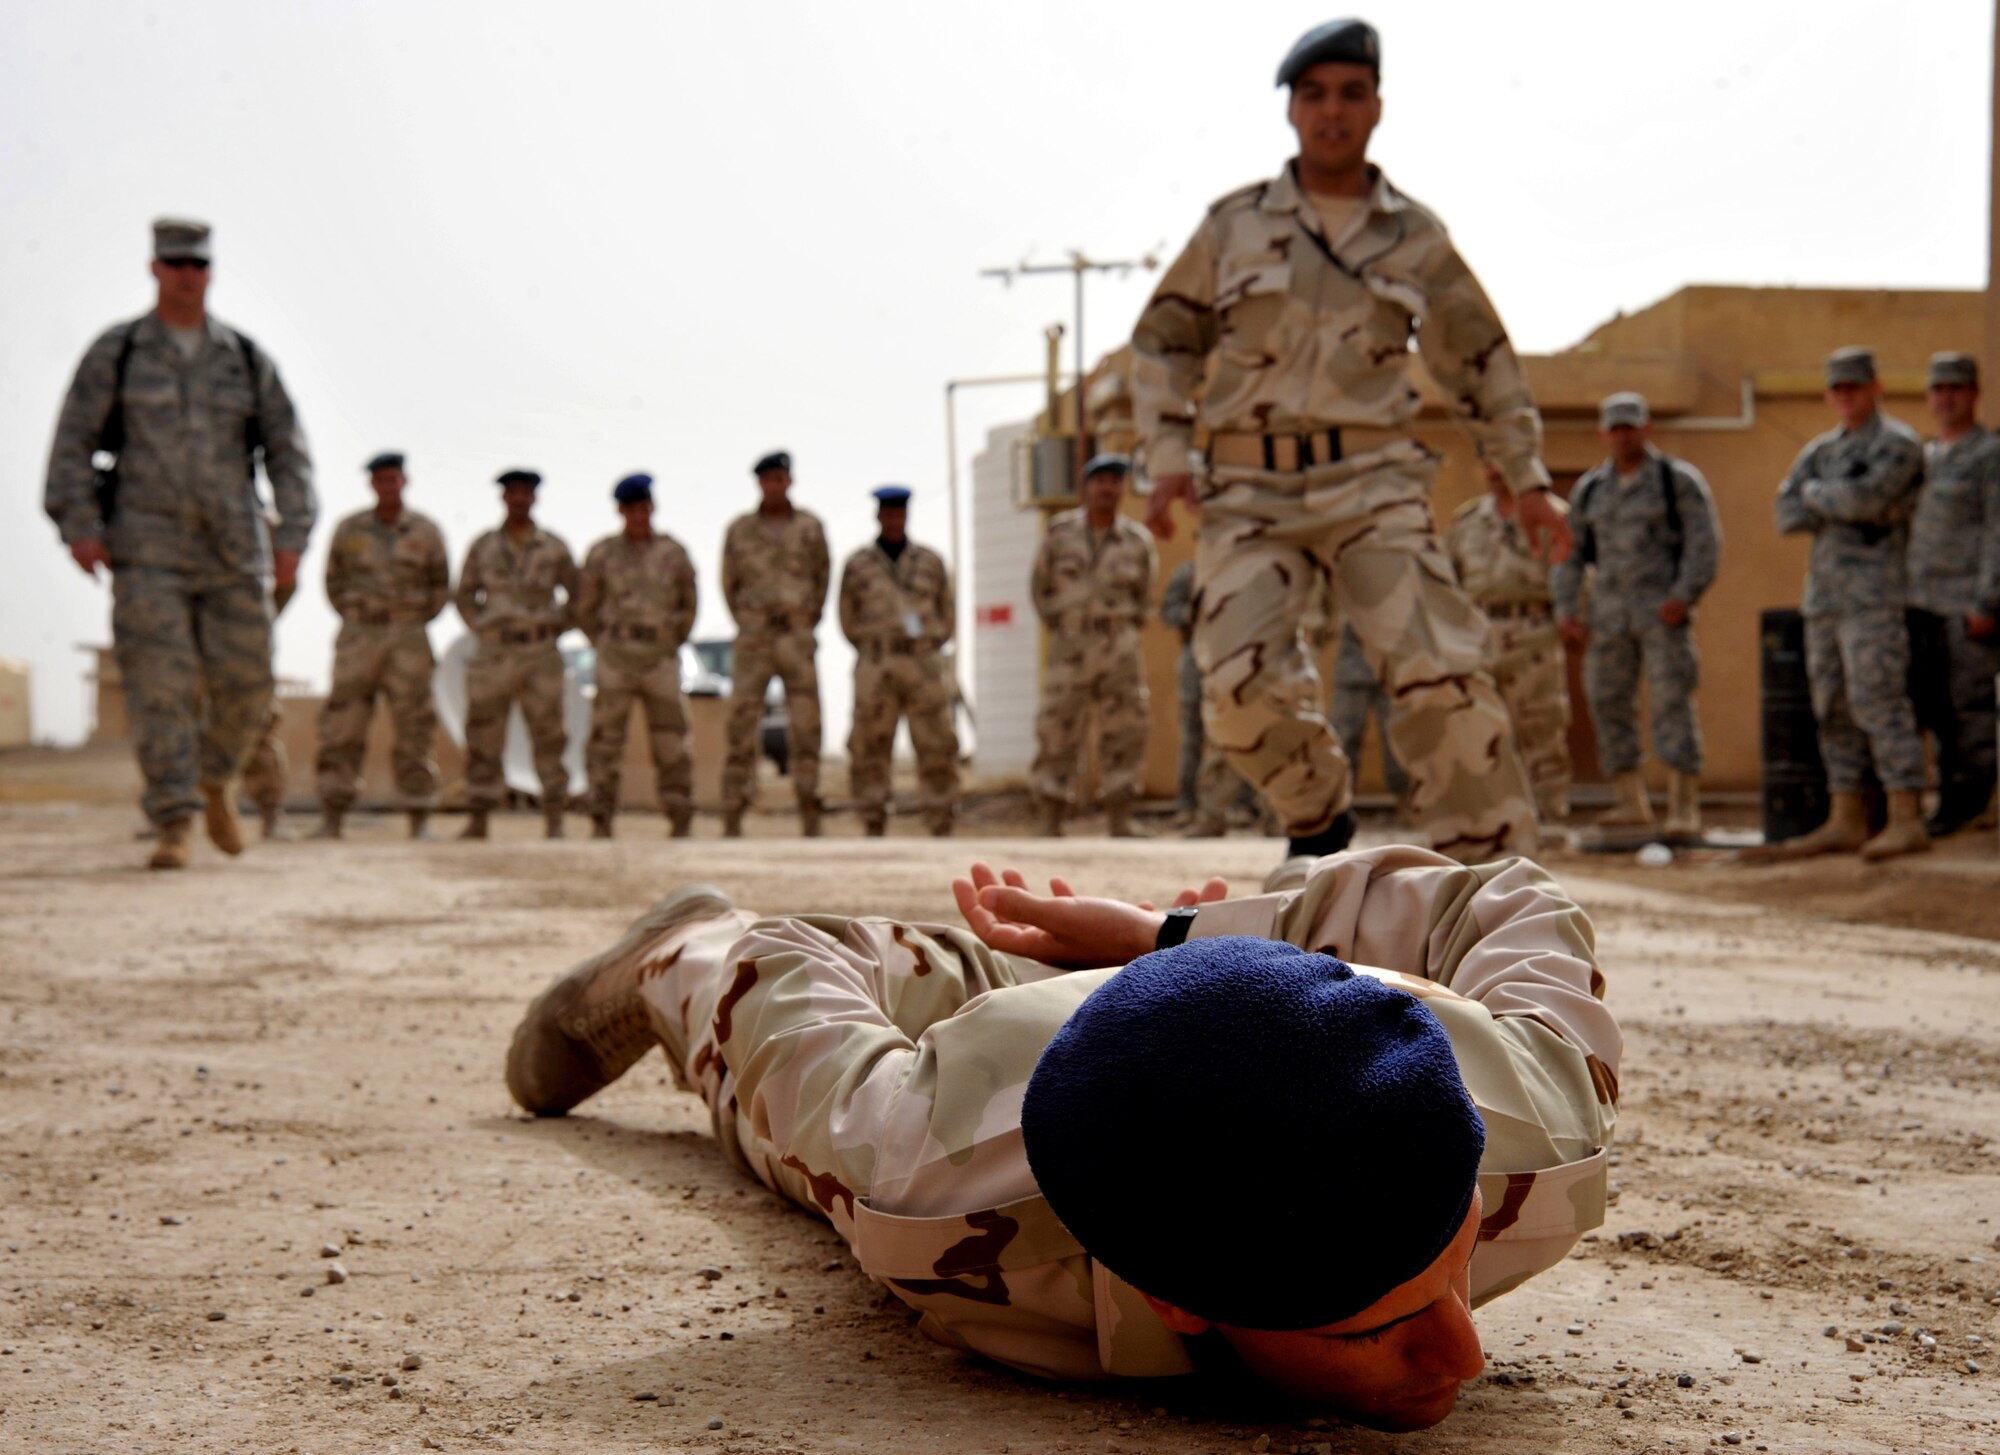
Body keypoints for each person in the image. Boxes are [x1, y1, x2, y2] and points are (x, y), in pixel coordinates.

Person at [505, 844, 1618, 1433]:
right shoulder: (941, 1193)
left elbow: (1502, 896)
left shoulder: (1532, 1120)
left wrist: (1175, 934)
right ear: (1179, 1299)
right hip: (1010, 1037)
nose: (1464, 1354)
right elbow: (791, 984)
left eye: (1452, 1259)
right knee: (762, 977)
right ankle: (675, 941)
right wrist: (702, 962)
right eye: (1376, 1327)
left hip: (1280, 999)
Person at [1131, 19, 1567, 868]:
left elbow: (1480, 357)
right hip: (1250, 491)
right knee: (1235, 686)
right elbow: (1162, 342)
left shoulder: (1414, 236)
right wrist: (1169, 455)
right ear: (1291, 110)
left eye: (1351, 94)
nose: (1332, 112)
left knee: (1443, 675)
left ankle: (1492, 885)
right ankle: (1318, 816)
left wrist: (1528, 475)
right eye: (1314, 95)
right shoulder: (1234, 227)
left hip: (1372, 481)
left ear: (1376, 108)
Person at [43, 217, 316, 870]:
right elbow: (73, 443)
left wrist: (295, 533)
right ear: (154, 268)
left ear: (210, 270)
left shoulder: (245, 359)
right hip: (148, 549)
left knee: (249, 683)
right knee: (157, 689)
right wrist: (79, 524)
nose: (186, 274)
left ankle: (214, 776)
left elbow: (287, 450)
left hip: (234, 549)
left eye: (196, 264)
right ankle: (174, 818)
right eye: (175, 263)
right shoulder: (120, 352)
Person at [1761, 348, 1928, 861]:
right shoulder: (1821, 451)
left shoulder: (1897, 444)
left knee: (1878, 700)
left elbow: (1869, 501)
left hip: (1876, 598)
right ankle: (1846, 816)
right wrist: (1830, 495)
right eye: (1837, 388)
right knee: (1830, 706)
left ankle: (1905, 816)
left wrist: (1818, 497)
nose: (1846, 396)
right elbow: (1785, 512)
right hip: (1826, 600)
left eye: (1855, 386)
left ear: (1875, 388)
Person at [1552, 395, 1718, 836]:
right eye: (1615, 428)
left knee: (1671, 702)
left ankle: (1684, 806)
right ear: (1604, 434)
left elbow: (1704, 543)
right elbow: (1570, 555)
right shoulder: (1591, 489)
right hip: (1608, 618)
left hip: (1662, 614)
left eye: (1630, 427)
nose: (1623, 436)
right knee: (1608, 702)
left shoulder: (1675, 481)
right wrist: (1568, 609)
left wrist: (1684, 595)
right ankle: (1631, 801)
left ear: (1646, 429)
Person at [312, 452, 450, 840]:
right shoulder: (349, 529)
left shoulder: (425, 531)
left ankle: (420, 815)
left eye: (393, 479)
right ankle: (333, 815)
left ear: (404, 481)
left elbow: (441, 585)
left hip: (408, 637)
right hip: (359, 637)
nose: (387, 486)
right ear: (372, 485)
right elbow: (333, 582)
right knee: (343, 724)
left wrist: (410, 618)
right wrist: (360, 616)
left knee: (414, 726)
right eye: (380, 480)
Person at [1030, 453, 1159, 837]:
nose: (1107, 488)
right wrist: (1066, 625)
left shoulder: (1138, 541)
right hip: (1070, 643)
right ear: (1085, 487)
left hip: (1119, 643)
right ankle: (1050, 819)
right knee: (1057, 726)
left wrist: (1120, 626)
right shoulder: (1059, 534)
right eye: (1100, 480)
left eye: (1115, 481)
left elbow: (1146, 597)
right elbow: (1039, 590)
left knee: (1126, 728)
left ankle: (1120, 818)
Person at [453, 469, 578, 840]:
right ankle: (479, 818)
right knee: (484, 734)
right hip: (494, 653)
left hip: (540, 653)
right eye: (513, 493)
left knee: (549, 734)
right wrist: (485, 627)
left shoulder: (553, 547)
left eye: (526, 493)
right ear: (503, 498)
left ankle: (555, 817)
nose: (519, 499)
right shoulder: (484, 546)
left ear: (534, 498)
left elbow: (580, 594)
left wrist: (555, 625)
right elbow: (463, 594)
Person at [1905, 352, 2000, 838]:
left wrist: (1987, 601)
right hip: (1921, 603)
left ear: (1974, 394)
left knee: (1972, 708)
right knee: (1934, 708)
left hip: (1967, 603)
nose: (1946, 398)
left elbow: (1996, 531)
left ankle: (1973, 802)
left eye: (1956, 388)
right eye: (1938, 389)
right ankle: (1947, 801)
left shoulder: (1989, 455)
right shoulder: (1924, 456)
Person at [576, 473, 698, 839]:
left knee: (671, 739)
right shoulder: (602, 554)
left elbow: (689, 604)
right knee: (605, 741)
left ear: (652, 507)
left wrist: (669, 640)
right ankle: (600, 818)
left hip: (659, 658)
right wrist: (607, 643)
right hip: (616, 659)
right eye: (631, 508)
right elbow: (584, 607)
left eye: (644, 507)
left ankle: (679, 817)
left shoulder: (673, 554)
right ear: (621, 511)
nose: (639, 515)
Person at [720, 452, 830, 838]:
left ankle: (810, 811)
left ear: (790, 481)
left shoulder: (810, 528)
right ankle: (733, 815)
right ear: (760, 484)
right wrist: (751, 621)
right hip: (755, 638)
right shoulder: (740, 531)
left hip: (797, 637)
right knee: (741, 726)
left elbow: (822, 579)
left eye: (781, 478)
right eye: (768, 479)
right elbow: (728, 584)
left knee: (806, 726)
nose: (775, 485)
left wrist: (803, 619)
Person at [840, 486, 960, 836]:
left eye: (899, 513)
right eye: (888, 513)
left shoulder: (930, 562)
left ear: (907, 516)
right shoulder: (858, 564)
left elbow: (947, 612)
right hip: (877, 663)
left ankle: (940, 818)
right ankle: (872, 818)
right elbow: (846, 617)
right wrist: (873, 646)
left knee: (936, 742)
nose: (894, 519)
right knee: (869, 744)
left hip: (922, 663)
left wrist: (929, 644)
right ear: (878, 517)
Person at [1161, 561, 1263, 838]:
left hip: (1236, 658)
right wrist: (1194, 613)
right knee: (1193, 736)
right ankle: (1188, 806)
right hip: (1196, 660)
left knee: (1239, 731)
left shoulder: (1248, 567)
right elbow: (1168, 613)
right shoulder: (1188, 572)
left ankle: (1242, 805)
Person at [1329, 624, 1411, 813]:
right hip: (1351, 666)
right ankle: (1337, 808)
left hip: (1391, 667)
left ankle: (1405, 802)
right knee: (1344, 738)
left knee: (1397, 739)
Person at [241, 579, 300, 840]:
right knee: (174, 713)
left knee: (256, 719)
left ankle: (272, 813)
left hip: (238, 612)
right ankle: (170, 818)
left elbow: (285, 578)